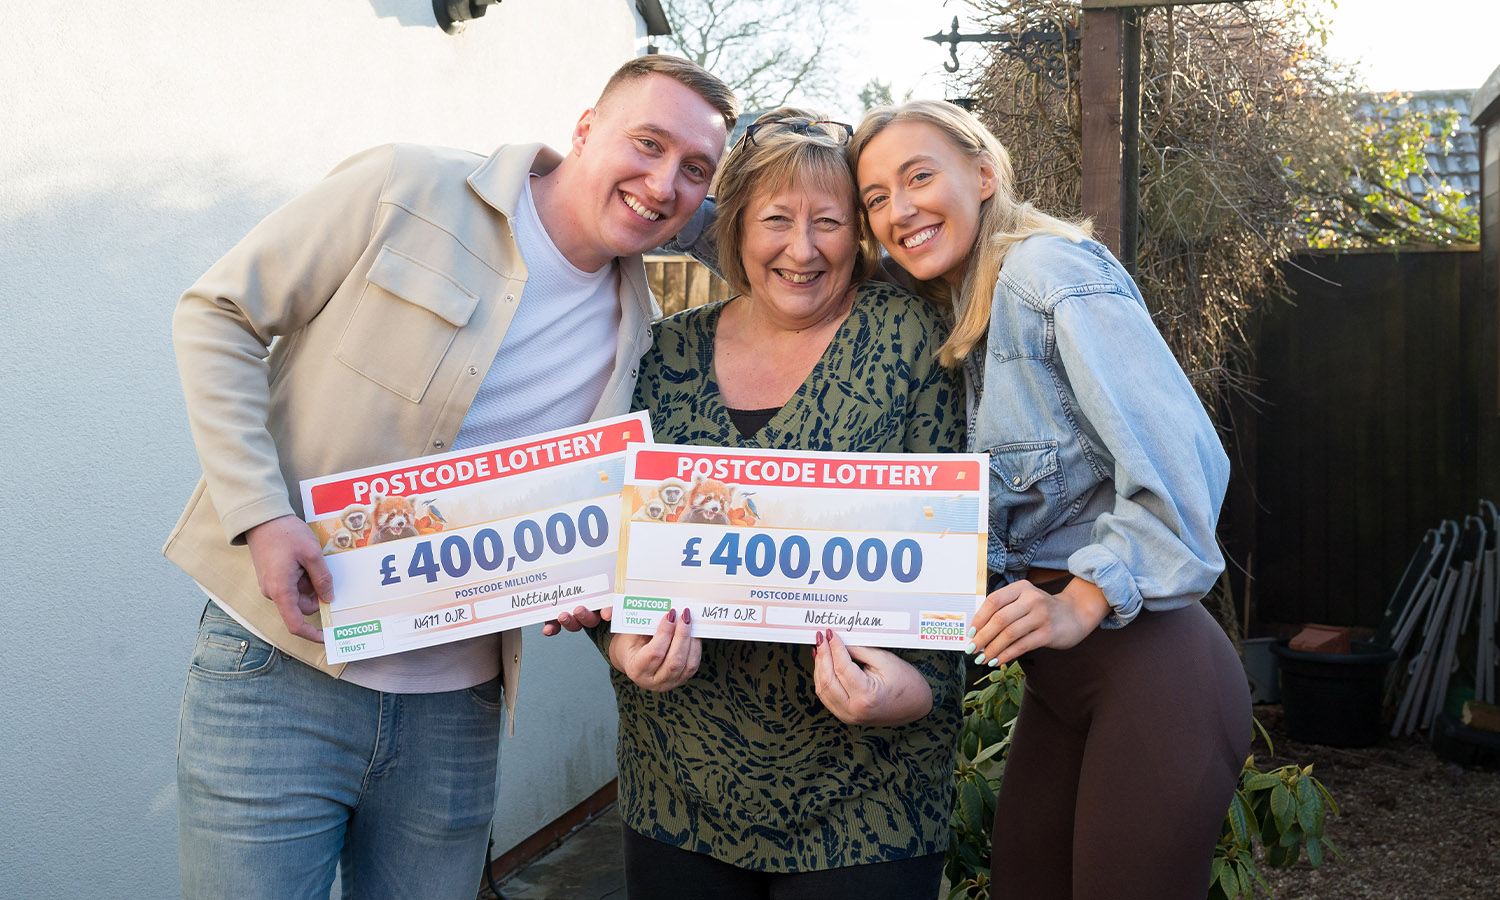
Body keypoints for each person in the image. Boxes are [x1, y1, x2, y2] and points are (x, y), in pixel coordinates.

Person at [162, 56, 736, 900]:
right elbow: (217, 314)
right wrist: (260, 513)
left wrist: (584, 593)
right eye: (646, 143)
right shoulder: (411, 183)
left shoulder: (641, 329)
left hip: (456, 713)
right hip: (278, 672)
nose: (662, 183)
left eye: (694, 171)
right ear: (583, 129)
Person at [850, 100, 1252, 900]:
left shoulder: (1048, 275)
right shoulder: (960, 300)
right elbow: (794, 239)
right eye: (875, 198)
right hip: (1064, 690)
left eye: (919, 176)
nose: (899, 210)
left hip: (1153, 675)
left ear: (984, 173)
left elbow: (1187, 464)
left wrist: (1084, 599)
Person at [581, 110, 967, 899]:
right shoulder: (661, 353)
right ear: (735, 233)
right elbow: (612, 545)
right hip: (676, 785)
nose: (803, 248)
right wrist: (621, 647)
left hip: (869, 797)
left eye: (828, 223)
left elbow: (955, 544)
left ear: (857, 235)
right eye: (777, 221)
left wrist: (915, 690)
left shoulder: (910, 339)